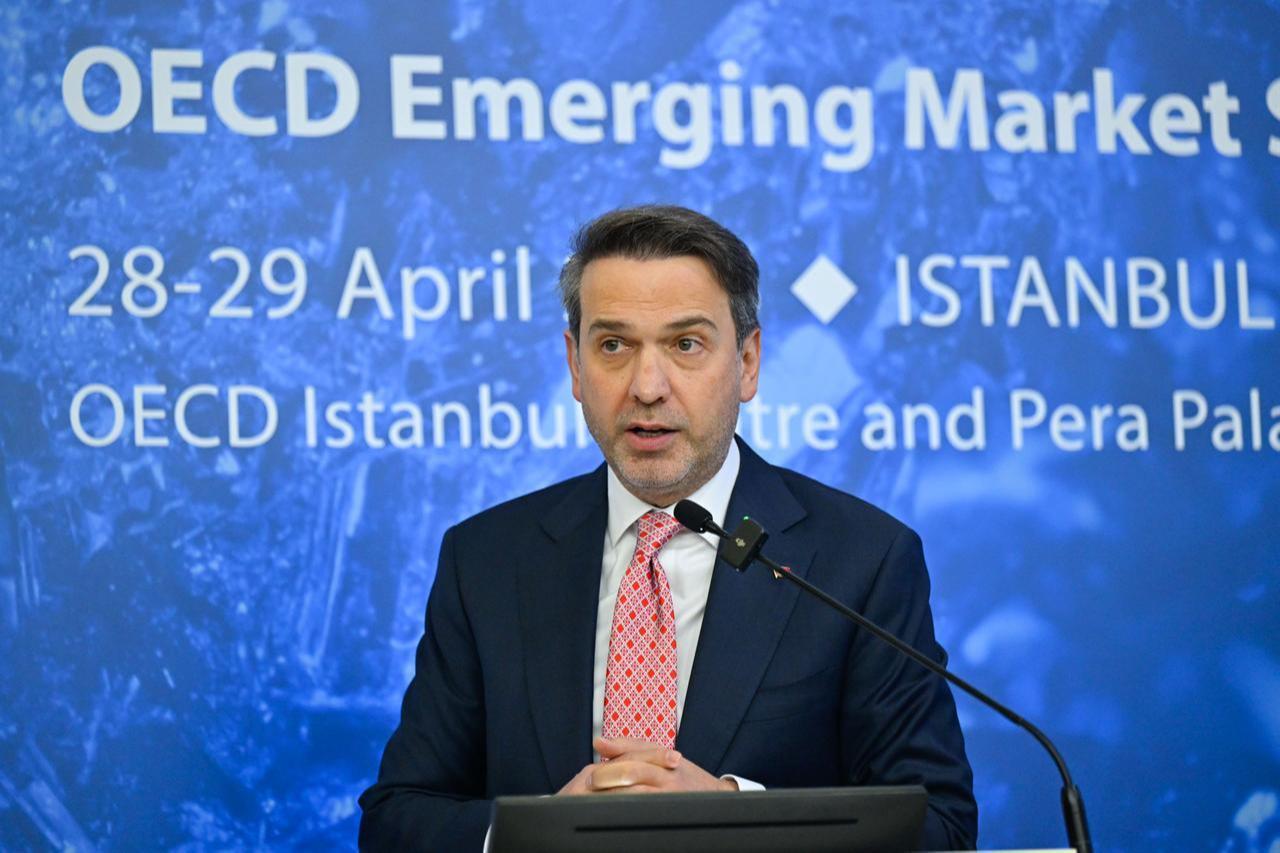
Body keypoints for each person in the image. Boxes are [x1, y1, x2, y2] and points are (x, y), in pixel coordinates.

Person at [358, 205, 977, 850]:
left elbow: (941, 828)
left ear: (748, 361)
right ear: (575, 365)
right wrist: (528, 832)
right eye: (613, 346)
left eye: (686, 344)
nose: (647, 387)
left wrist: (733, 818)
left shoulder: (862, 560)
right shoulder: (485, 559)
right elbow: (397, 817)